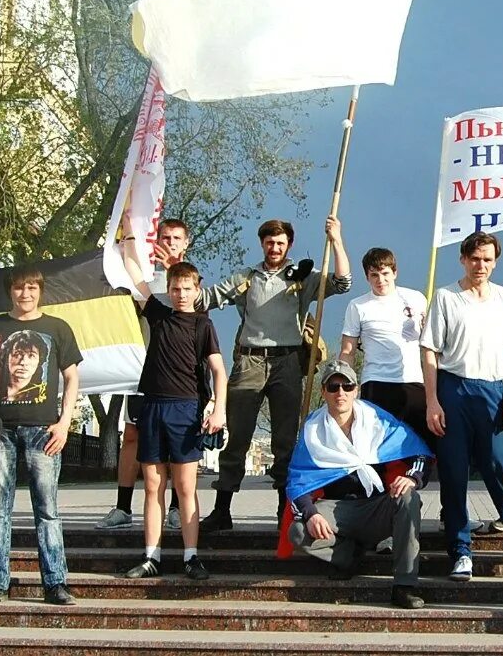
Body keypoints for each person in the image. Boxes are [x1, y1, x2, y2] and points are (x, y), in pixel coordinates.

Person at [198, 216, 352, 530]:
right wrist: (175, 273)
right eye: (270, 242)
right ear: (262, 244)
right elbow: (205, 298)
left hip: (288, 362)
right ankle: (222, 509)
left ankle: (285, 510)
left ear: (289, 245)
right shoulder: (246, 278)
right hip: (250, 362)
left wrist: (336, 239)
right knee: (238, 436)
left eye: (280, 243)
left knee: (285, 440)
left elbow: (342, 283)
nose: (275, 248)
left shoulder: (303, 278)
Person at [0, 267, 82, 606]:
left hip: (44, 431)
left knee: (48, 510)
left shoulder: (58, 328)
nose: (25, 294)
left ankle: (55, 583)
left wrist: (64, 423)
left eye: (31, 288)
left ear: (40, 290)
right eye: (18, 288)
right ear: (9, 291)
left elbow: (72, 377)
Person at [286, 360, 432, 609]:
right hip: (339, 510)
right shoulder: (312, 430)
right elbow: (298, 480)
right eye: (333, 387)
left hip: (376, 507)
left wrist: (411, 478)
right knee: (298, 531)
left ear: (356, 390)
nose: (340, 392)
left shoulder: (376, 420)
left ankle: (404, 585)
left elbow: (420, 452)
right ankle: (347, 555)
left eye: (347, 386)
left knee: (410, 498)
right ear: (323, 392)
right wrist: (310, 514)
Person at [421, 231, 503, 581]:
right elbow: (430, 351)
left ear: (495, 262)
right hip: (454, 388)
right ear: (463, 259)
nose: (481, 265)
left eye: (487, 259)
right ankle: (460, 550)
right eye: (475, 258)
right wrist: (432, 400)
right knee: (453, 472)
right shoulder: (446, 297)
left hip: (494, 390)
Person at [120, 258, 229, 581]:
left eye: (187, 289)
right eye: (175, 289)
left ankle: (191, 556)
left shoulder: (203, 325)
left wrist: (219, 410)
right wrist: (127, 239)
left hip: (186, 409)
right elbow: (136, 278)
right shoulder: (159, 315)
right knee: (153, 485)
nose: (181, 294)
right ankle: (151, 556)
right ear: (167, 290)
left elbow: (219, 371)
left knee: (185, 486)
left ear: (197, 290)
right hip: (153, 406)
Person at [98, 218, 191, 530]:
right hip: (143, 372)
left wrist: (177, 269)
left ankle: (177, 507)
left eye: (176, 237)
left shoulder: (191, 280)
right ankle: (123, 507)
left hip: (180, 378)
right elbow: (131, 279)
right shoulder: (148, 279)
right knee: (132, 436)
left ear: (186, 242)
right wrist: (127, 233)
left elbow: (199, 317)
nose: (170, 242)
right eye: (165, 237)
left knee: (177, 442)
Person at [339, 247, 431, 445]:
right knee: (378, 445)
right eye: (374, 275)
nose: (380, 280)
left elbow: (430, 343)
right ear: (367, 277)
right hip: (376, 382)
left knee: (419, 443)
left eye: (385, 273)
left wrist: (428, 329)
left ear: (394, 272)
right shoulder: (357, 306)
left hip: (412, 381)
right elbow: (348, 351)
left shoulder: (416, 298)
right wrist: (344, 384)